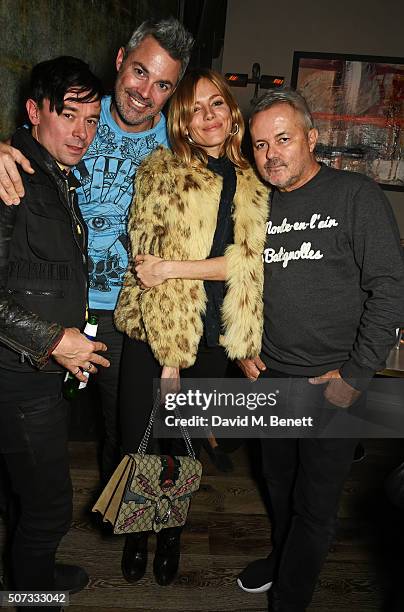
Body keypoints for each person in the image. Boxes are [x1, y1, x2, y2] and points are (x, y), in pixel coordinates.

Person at [0, 18, 194, 486]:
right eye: (141, 72)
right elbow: (23, 144)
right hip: (51, 308)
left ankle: (122, 518)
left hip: (129, 313)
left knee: (126, 433)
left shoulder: (177, 145)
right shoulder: (75, 108)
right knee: (40, 430)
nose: (146, 92)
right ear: (121, 60)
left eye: (163, 84)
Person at [236, 89, 404, 612]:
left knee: (316, 504)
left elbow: (391, 290)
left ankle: (291, 596)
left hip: (332, 385)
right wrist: (242, 345)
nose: (272, 155)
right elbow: (235, 280)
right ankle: (283, 557)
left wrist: (356, 376)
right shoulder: (253, 203)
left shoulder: (357, 196)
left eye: (284, 139)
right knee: (278, 483)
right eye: (261, 144)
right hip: (272, 379)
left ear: (312, 137)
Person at [114, 68, 269, 586]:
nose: (207, 116)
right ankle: (138, 531)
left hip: (210, 336)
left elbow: (247, 263)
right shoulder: (161, 170)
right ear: (181, 121)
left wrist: (176, 268)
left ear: (231, 113)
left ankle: (172, 531)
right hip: (155, 333)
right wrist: (168, 361)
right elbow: (145, 264)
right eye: (194, 108)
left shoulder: (252, 180)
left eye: (216, 104)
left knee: (180, 443)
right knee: (139, 438)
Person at [0, 57, 110, 607]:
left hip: (43, 374)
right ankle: (32, 597)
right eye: (69, 115)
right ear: (34, 111)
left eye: (91, 120)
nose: (82, 133)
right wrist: (53, 339)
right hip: (19, 376)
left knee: (27, 499)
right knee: (48, 508)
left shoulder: (52, 174)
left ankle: (32, 572)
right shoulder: (10, 172)